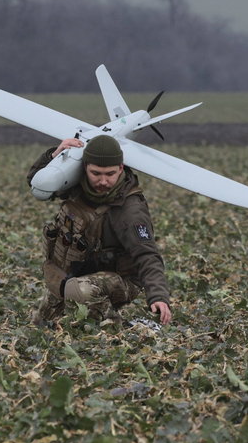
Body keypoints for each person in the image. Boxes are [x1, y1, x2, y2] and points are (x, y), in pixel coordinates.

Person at [28, 135, 172, 327]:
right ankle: (85, 311)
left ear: (120, 168)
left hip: (121, 279)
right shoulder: (77, 186)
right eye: (96, 173)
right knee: (42, 323)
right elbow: (37, 184)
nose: (103, 181)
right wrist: (54, 155)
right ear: (85, 167)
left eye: (110, 174)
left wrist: (158, 297)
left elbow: (147, 255)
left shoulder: (130, 211)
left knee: (76, 291)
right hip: (79, 271)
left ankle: (121, 326)